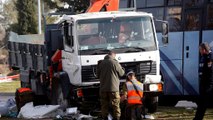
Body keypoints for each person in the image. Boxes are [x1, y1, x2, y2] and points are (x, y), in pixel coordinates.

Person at [97, 51, 125, 120]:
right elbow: (121, 73)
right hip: (114, 89)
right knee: (115, 105)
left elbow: (98, 75)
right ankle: (117, 118)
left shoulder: (101, 63)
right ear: (113, 55)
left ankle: (105, 118)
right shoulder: (115, 63)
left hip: (103, 89)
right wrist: (123, 69)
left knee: (104, 105)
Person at [194, 42, 213, 120]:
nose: (200, 51)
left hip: (208, 85)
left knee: (202, 104)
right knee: (202, 104)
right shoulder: (204, 57)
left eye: (200, 50)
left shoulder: (210, 57)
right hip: (203, 84)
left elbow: (210, 72)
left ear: (204, 50)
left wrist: (207, 86)